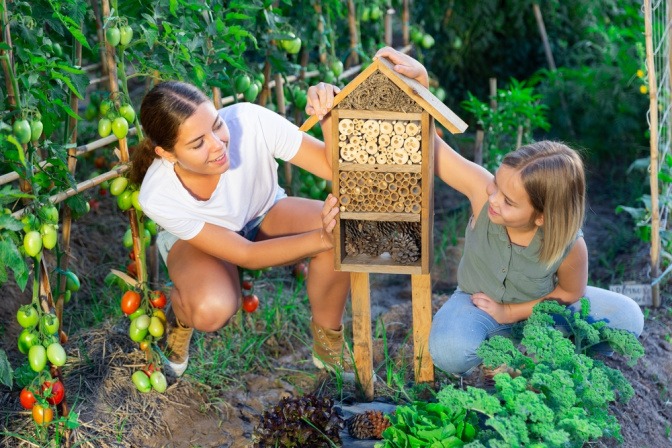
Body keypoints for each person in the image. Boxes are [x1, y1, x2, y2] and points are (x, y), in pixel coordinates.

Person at [373, 47, 644, 376]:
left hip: (540, 309)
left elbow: (570, 293)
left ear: (543, 216)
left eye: (509, 200)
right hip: (478, 303)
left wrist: (512, 312)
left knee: (629, 319)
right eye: (497, 184)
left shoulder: (570, 244)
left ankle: (543, 346)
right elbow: (432, 147)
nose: (494, 197)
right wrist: (422, 86)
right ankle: (524, 350)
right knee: (449, 352)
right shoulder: (482, 192)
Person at [129, 80, 351, 377]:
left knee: (345, 229)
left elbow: (334, 168)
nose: (218, 145)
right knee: (212, 308)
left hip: (263, 212)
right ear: (167, 154)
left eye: (217, 125)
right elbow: (246, 254)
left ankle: (328, 346)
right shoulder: (158, 195)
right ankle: (180, 319)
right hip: (200, 242)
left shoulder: (250, 120)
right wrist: (322, 238)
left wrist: (328, 115)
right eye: (198, 143)